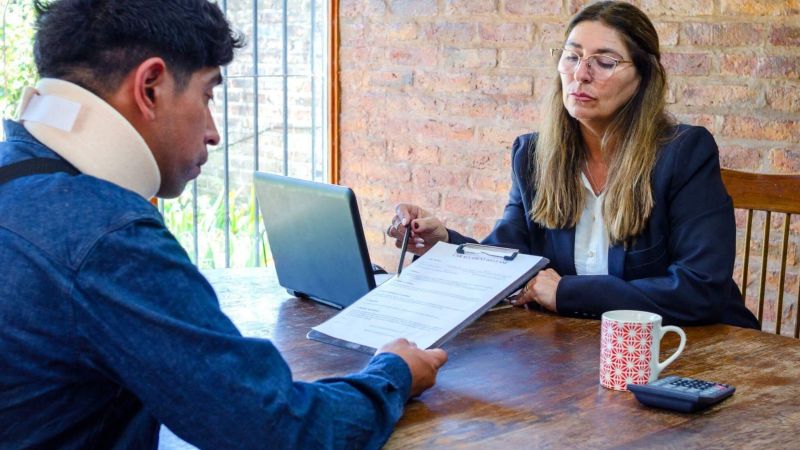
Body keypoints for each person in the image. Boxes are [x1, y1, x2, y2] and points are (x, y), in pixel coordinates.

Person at [0, 1, 447, 448]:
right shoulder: (107, 238)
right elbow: (278, 430)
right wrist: (393, 373)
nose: (214, 132)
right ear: (150, 87)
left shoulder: (15, 179)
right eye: (208, 94)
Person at [388, 1, 759, 329]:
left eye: (605, 62)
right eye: (572, 56)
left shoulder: (683, 153)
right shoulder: (532, 156)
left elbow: (699, 289)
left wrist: (569, 292)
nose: (581, 74)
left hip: (699, 349)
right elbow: (506, 259)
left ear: (643, 78)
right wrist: (444, 243)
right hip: (582, 349)